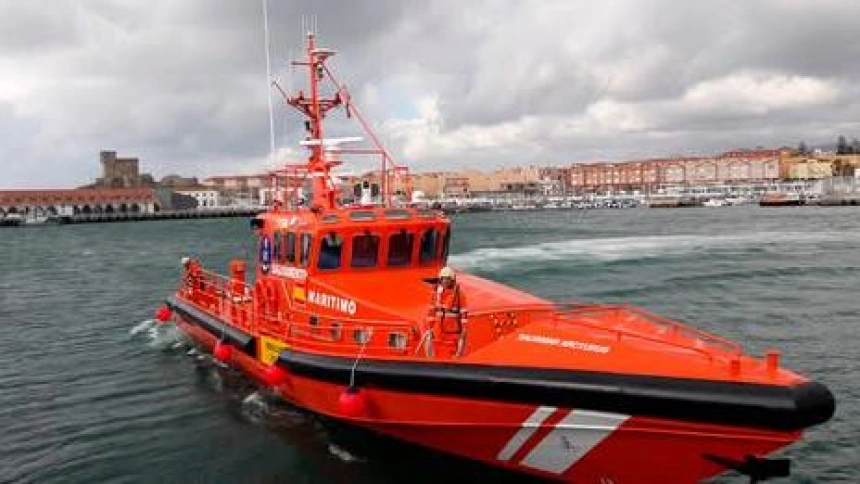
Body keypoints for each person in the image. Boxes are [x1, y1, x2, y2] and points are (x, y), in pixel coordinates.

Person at [435, 266, 467, 333]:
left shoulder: (459, 295)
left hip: (452, 331)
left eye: (447, 279)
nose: (445, 281)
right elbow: (432, 311)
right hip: (438, 330)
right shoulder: (437, 293)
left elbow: (463, 314)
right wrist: (430, 328)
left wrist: (464, 329)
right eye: (443, 279)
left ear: (452, 280)